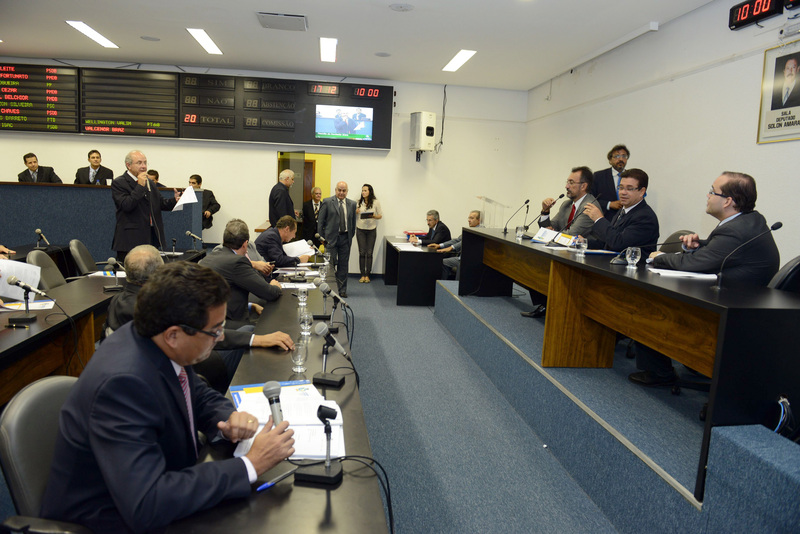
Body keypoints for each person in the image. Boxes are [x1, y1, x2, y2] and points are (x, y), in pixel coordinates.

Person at [40, 262, 296, 533]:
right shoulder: (122, 385)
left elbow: (196, 392)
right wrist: (249, 465)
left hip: (157, 488)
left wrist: (228, 418)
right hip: (106, 521)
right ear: (173, 335)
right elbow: (147, 503)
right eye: (214, 331)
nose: (220, 337)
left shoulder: (154, 336)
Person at [632, 173, 780, 387]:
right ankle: (690, 363)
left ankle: (660, 372)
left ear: (728, 201)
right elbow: (718, 254)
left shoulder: (736, 230)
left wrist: (659, 257)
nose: (708, 196)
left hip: (731, 308)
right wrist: (695, 246)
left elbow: (693, 264)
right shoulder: (747, 221)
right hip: (736, 301)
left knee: (650, 302)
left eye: (712, 191)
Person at [106, 245, 294, 390]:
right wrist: (257, 339)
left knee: (246, 331)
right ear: (159, 272)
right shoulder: (157, 307)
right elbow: (204, 334)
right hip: (192, 367)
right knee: (249, 335)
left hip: (149, 371)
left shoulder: (117, 301)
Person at [521, 167, 602, 318]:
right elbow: (551, 227)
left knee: (541, 262)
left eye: (571, 182)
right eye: (567, 182)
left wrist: (551, 232)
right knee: (534, 258)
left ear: (583, 186)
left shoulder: (590, 206)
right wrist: (545, 212)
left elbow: (570, 236)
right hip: (565, 251)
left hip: (583, 260)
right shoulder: (566, 204)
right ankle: (545, 304)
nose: (566, 186)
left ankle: (553, 307)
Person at [200, 219, 282, 328]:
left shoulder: (209, 258)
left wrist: (251, 306)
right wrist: (275, 286)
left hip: (207, 322)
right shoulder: (238, 262)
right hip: (228, 326)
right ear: (245, 244)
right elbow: (269, 293)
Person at [110, 150, 180, 261]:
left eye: (145, 162)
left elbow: (160, 203)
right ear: (128, 165)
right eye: (139, 163)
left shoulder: (150, 182)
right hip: (130, 239)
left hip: (150, 236)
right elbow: (127, 205)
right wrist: (140, 186)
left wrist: (174, 200)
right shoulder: (119, 182)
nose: (143, 166)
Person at [583, 168, 660, 257]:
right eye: (621, 187)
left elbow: (619, 243)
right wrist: (584, 242)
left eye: (629, 189)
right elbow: (607, 242)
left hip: (634, 264)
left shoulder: (645, 217)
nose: (623, 192)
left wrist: (599, 219)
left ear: (642, 192)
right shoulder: (623, 210)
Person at [317, 181, 357, 297]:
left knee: (343, 265)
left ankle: (342, 290)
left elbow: (352, 223)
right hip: (330, 239)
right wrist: (322, 238)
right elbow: (320, 222)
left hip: (345, 238)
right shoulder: (327, 202)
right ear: (335, 190)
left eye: (344, 190)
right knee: (330, 265)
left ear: (347, 191)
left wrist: (350, 236)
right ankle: (330, 290)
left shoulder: (352, 204)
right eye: (339, 190)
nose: (341, 192)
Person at [430, 210, 481, 280]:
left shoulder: (479, 232)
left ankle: (456, 285)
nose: (469, 220)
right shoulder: (470, 230)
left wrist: (451, 247)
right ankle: (443, 284)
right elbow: (457, 240)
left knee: (461, 265)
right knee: (443, 262)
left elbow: (464, 242)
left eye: (472, 218)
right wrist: (440, 245)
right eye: (469, 218)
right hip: (460, 258)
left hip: (468, 260)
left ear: (479, 220)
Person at [591, 145, 629, 222]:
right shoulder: (598, 176)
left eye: (624, 156)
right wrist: (609, 204)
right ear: (610, 160)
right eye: (617, 156)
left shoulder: (632, 177)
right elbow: (590, 199)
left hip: (627, 219)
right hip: (605, 219)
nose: (621, 159)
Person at [355, 183, 383, 283]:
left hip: (371, 230)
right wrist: (356, 212)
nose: (363, 192)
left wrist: (374, 216)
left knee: (369, 253)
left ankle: (367, 275)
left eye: (365, 190)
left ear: (370, 191)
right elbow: (353, 214)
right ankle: (362, 275)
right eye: (362, 190)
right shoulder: (358, 202)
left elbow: (380, 215)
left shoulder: (376, 202)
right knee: (362, 252)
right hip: (360, 229)